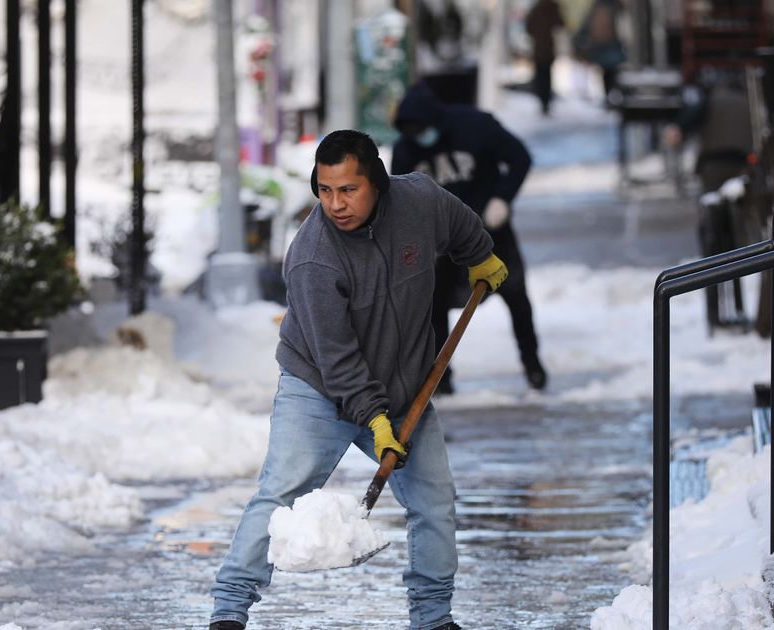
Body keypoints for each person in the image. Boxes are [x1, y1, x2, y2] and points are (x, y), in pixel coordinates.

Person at [208, 130, 508, 630]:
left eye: (348, 189)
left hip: (403, 391)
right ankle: (229, 609)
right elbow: (338, 358)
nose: (335, 204)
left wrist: (479, 253)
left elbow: (458, 223)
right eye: (325, 190)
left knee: (434, 501)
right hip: (319, 391)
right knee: (280, 493)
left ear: (378, 183)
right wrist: (374, 419)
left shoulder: (419, 201)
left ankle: (434, 618)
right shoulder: (312, 258)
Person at [391, 83, 547, 395]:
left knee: (515, 294)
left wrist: (502, 199)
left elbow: (520, 158)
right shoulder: (406, 149)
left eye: (422, 129)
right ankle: (440, 379)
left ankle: (533, 365)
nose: (420, 136)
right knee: (431, 303)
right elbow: (399, 199)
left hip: (491, 231)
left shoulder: (475, 126)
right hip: (442, 243)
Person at [525, 0, 566, 115]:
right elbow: (561, 24)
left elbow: (529, 28)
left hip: (540, 48)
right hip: (548, 48)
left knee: (541, 75)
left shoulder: (536, 9)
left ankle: (544, 101)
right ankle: (545, 101)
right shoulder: (552, 8)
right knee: (546, 75)